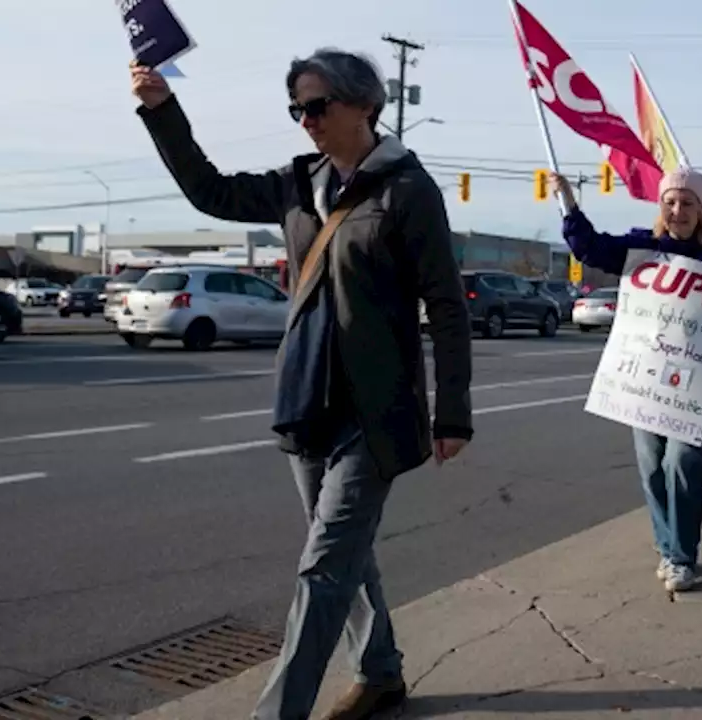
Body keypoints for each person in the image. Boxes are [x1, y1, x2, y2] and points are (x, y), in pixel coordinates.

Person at [131, 50, 474, 720]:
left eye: (318, 106)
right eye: (298, 109)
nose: (306, 121)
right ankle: (381, 673)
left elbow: (447, 305)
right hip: (306, 401)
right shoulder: (296, 182)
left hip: (376, 411)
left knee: (323, 567)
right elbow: (210, 191)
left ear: (364, 105)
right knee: (345, 554)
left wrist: (453, 412)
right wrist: (161, 110)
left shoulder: (408, 190)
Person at [556, 168, 702, 593]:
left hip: (698, 381)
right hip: (645, 380)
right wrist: (570, 205)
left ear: (701, 211)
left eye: (687, 203)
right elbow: (588, 249)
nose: (678, 210)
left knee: (682, 461)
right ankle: (668, 546)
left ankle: (683, 556)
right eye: (670, 201)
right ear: (660, 206)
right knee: (652, 466)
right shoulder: (642, 247)